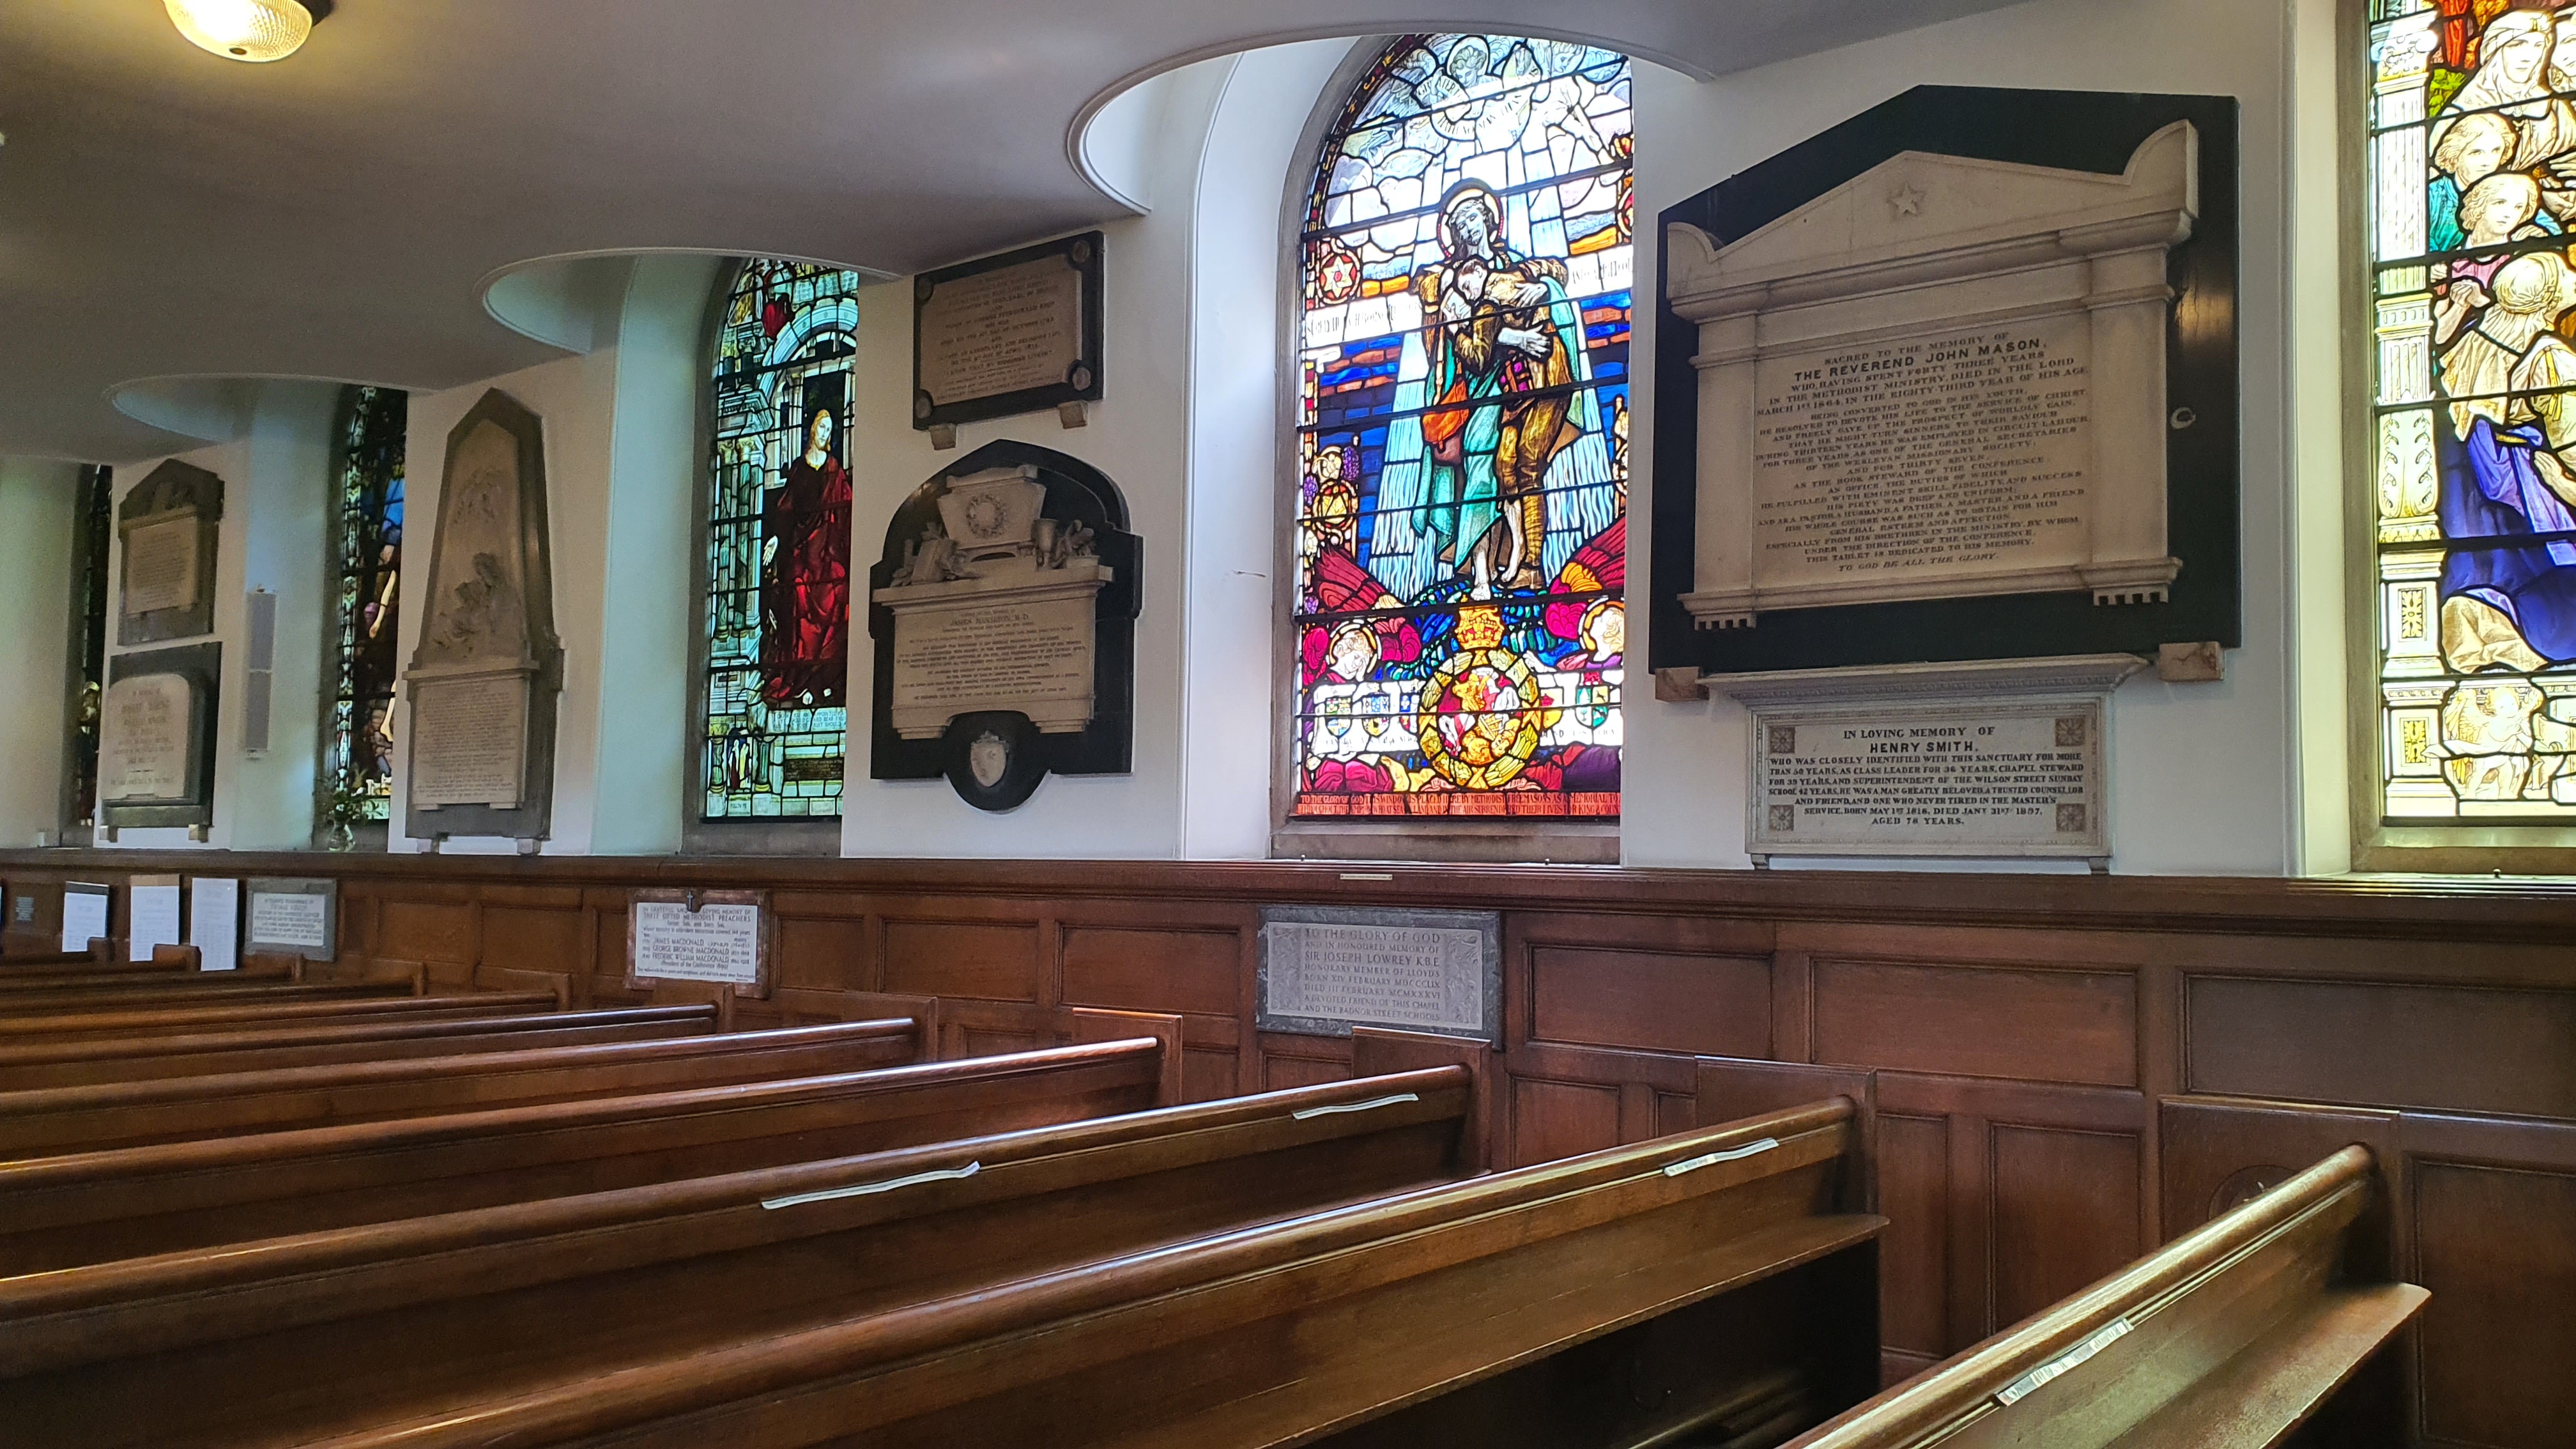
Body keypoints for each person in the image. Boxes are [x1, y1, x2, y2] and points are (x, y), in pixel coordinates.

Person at [1407, 181, 1602, 591]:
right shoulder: (1448, 279)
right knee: (1492, 468)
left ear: (1490, 221)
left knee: (1520, 466)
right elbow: (1442, 330)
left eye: (1473, 219)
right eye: (1459, 225)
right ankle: (1490, 568)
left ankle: (1525, 564)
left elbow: (1556, 273)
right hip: (1478, 389)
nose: (1467, 229)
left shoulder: (1514, 267)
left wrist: (1544, 288)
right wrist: (1510, 336)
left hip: (1526, 384)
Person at [2437, 249, 2576, 672]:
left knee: (2495, 568)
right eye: (2566, 276)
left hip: (2471, 501)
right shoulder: (2548, 356)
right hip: (2532, 486)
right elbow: (2570, 440)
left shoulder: (2471, 341)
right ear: (2547, 299)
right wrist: (2565, 482)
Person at [761, 404, 853, 706]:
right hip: (801, 548)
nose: (824, 433)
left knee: (837, 590)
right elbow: (786, 508)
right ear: (812, 429)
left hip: (828, 549)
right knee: (797, 590)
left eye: (829, 429)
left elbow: (847, 507)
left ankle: (824, 677)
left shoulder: (834, 469)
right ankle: (798, 676)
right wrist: (776, 539)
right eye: (821, 427)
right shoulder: (800, 468)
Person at [2429, 112, 2520, 253]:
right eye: (2476, 153)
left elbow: (2547, 224)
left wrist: (2535, 231)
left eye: (2496, 151)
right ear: (2455, 155)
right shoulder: (2432, 196)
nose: (2488, 162)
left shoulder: (2512, 189)